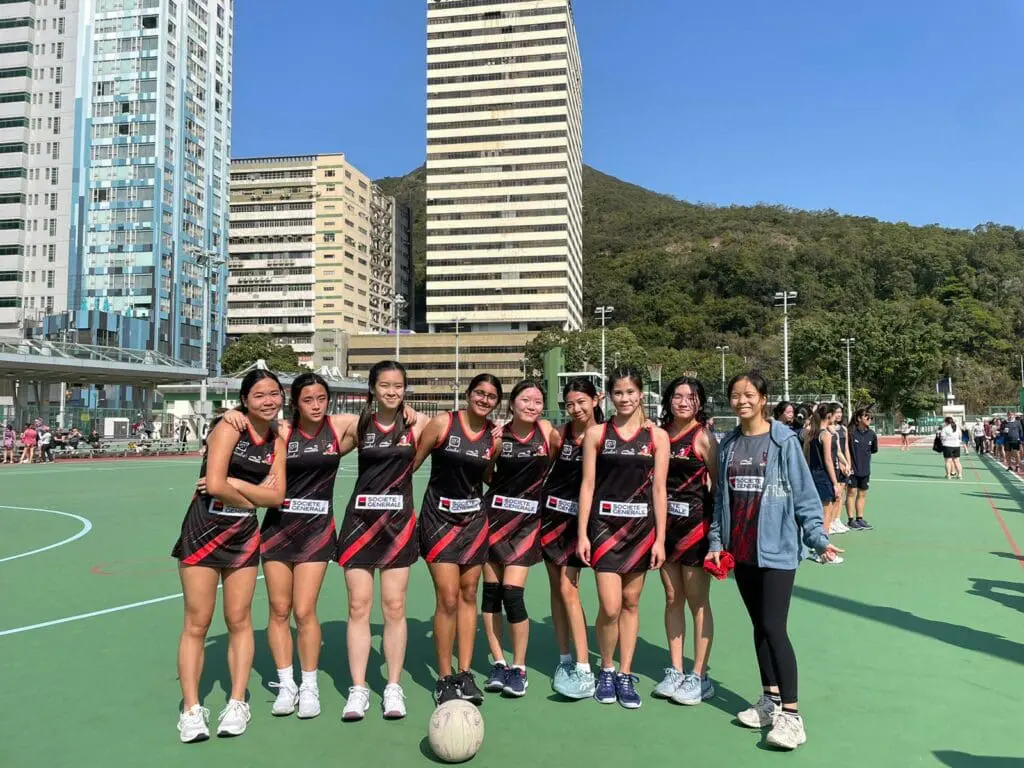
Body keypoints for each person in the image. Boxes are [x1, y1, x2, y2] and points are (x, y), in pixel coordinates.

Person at [707, 372, 842, 751]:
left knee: (774, 626)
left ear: (763, 398)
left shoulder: (783, 441)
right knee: (759, 626)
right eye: (735, 395)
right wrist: (717, 541)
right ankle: (769, 700)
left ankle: (792, 715)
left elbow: (804, 495)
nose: (742, 400)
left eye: (749, 394)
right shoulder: (729, 444)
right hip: (743, 551)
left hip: (778, 549)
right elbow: (720, 501)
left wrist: (818, 538)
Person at [220, 373, 348, 721]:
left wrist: (410, 413)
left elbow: (384, 415)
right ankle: (286, 683)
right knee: (279, 610)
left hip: (318, 531)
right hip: (278, 529)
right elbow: (248, 424)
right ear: (295, 402)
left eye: (322, 398)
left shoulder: (339, 428)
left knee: (305, 610)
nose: (316, 405)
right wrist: (233, 413)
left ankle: (309, 685)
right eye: (308, 400)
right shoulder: (281, 432)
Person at [172, 369, 287, 743]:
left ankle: (238, 701)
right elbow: (215, 485)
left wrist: (237, 487)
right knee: (197, 622)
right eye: (259, 395)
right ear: (245, 400)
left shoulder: (277, 439)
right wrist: (252, 493)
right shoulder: (228, 428)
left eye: (274, 394)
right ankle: (191, 709)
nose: (269, 401)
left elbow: (276, 497)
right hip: (203, 530)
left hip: (242, 535)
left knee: (239, 619)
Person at [335, 362, 424, 721]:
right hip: (360, 524)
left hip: (398, 526)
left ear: (405, 389)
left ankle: (392, 687)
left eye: (398, 385)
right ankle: (358, 689)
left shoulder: (417, 425)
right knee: (358, 606)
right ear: (372, 388)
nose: (392, 391)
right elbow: (317, 452)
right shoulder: (357, 424)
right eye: (385, 385)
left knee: (394, 607)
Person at [577, 366, 669, 710]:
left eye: (631, 392)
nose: (625, 398)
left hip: (641, 532)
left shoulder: (656, 437)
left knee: (631, 604)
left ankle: (625, 674)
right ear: (610, 396)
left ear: (640, 394)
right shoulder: (597, 434)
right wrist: (583, 532)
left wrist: (660, 539)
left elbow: (659, 490)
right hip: (603, 529)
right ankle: (607, 667)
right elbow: (587, 486)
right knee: (610, 606)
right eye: (618, 393)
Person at [413, 373, 502, 706]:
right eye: (479, 392)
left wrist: (500, 451)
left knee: (468, 594)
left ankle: (465, 673)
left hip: (473, 523)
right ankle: (444, 676)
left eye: (491, 396)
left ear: (497, 402)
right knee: (447, 597)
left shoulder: (493, 438)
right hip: (438, 520)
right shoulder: (442, 423)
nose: (484, 399)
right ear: (468, 394)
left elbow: (489, 478)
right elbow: (412, 463)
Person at [481, 380, 557, 698]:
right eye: (524, 399)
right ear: (512, 403)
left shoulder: (547, 433)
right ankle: (498, 662)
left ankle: (519, 667)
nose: (531, 405)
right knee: (491, 594)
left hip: (527, 523)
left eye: (537, 401)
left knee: (513, 593)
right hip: (494, 519)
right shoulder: (499, 435)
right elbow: (486, 473)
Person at [653, 376, 719, 706]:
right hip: (665, 529)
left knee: (697, 600)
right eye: (677, 396)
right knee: (671, 596)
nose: (683, 402)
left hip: (696, 529)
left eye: (690, 397)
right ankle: (676, 670)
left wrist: (718, 539)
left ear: (699, 403)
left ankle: (700, 675)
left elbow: (719, 489)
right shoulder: (659, 434)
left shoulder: (703, 437)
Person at [540, 377, 601, 700]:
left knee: (569, 588)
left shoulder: (606, 434)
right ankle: (564, 660)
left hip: (584, 524)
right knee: (557, 589)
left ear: (596, 400)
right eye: (570, 403)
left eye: (582, 401)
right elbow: (547, 469)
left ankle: (584, 666)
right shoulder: (559, 435)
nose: (576, 408)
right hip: (552, 519)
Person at [803, 404, 843, 563]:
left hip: (812, 475)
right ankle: (823, 551)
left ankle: (814, 546)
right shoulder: (825, 434)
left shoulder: (810, 433)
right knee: (825, 515)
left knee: (814, 513)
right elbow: (828, 460)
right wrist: (835, 482)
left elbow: (805, 457)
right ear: (829, 416)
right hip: (823, 476)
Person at [845, 409, 876, 530]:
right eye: (866, 417)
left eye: (870, 417)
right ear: (858, 418)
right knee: (851, 493)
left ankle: (860, 518)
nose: (869, 419)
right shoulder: (851, 432)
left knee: (862, 494)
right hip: (852, 469)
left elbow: (873, 450)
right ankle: (851, 520)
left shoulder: (872, 434)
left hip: (865, 469)